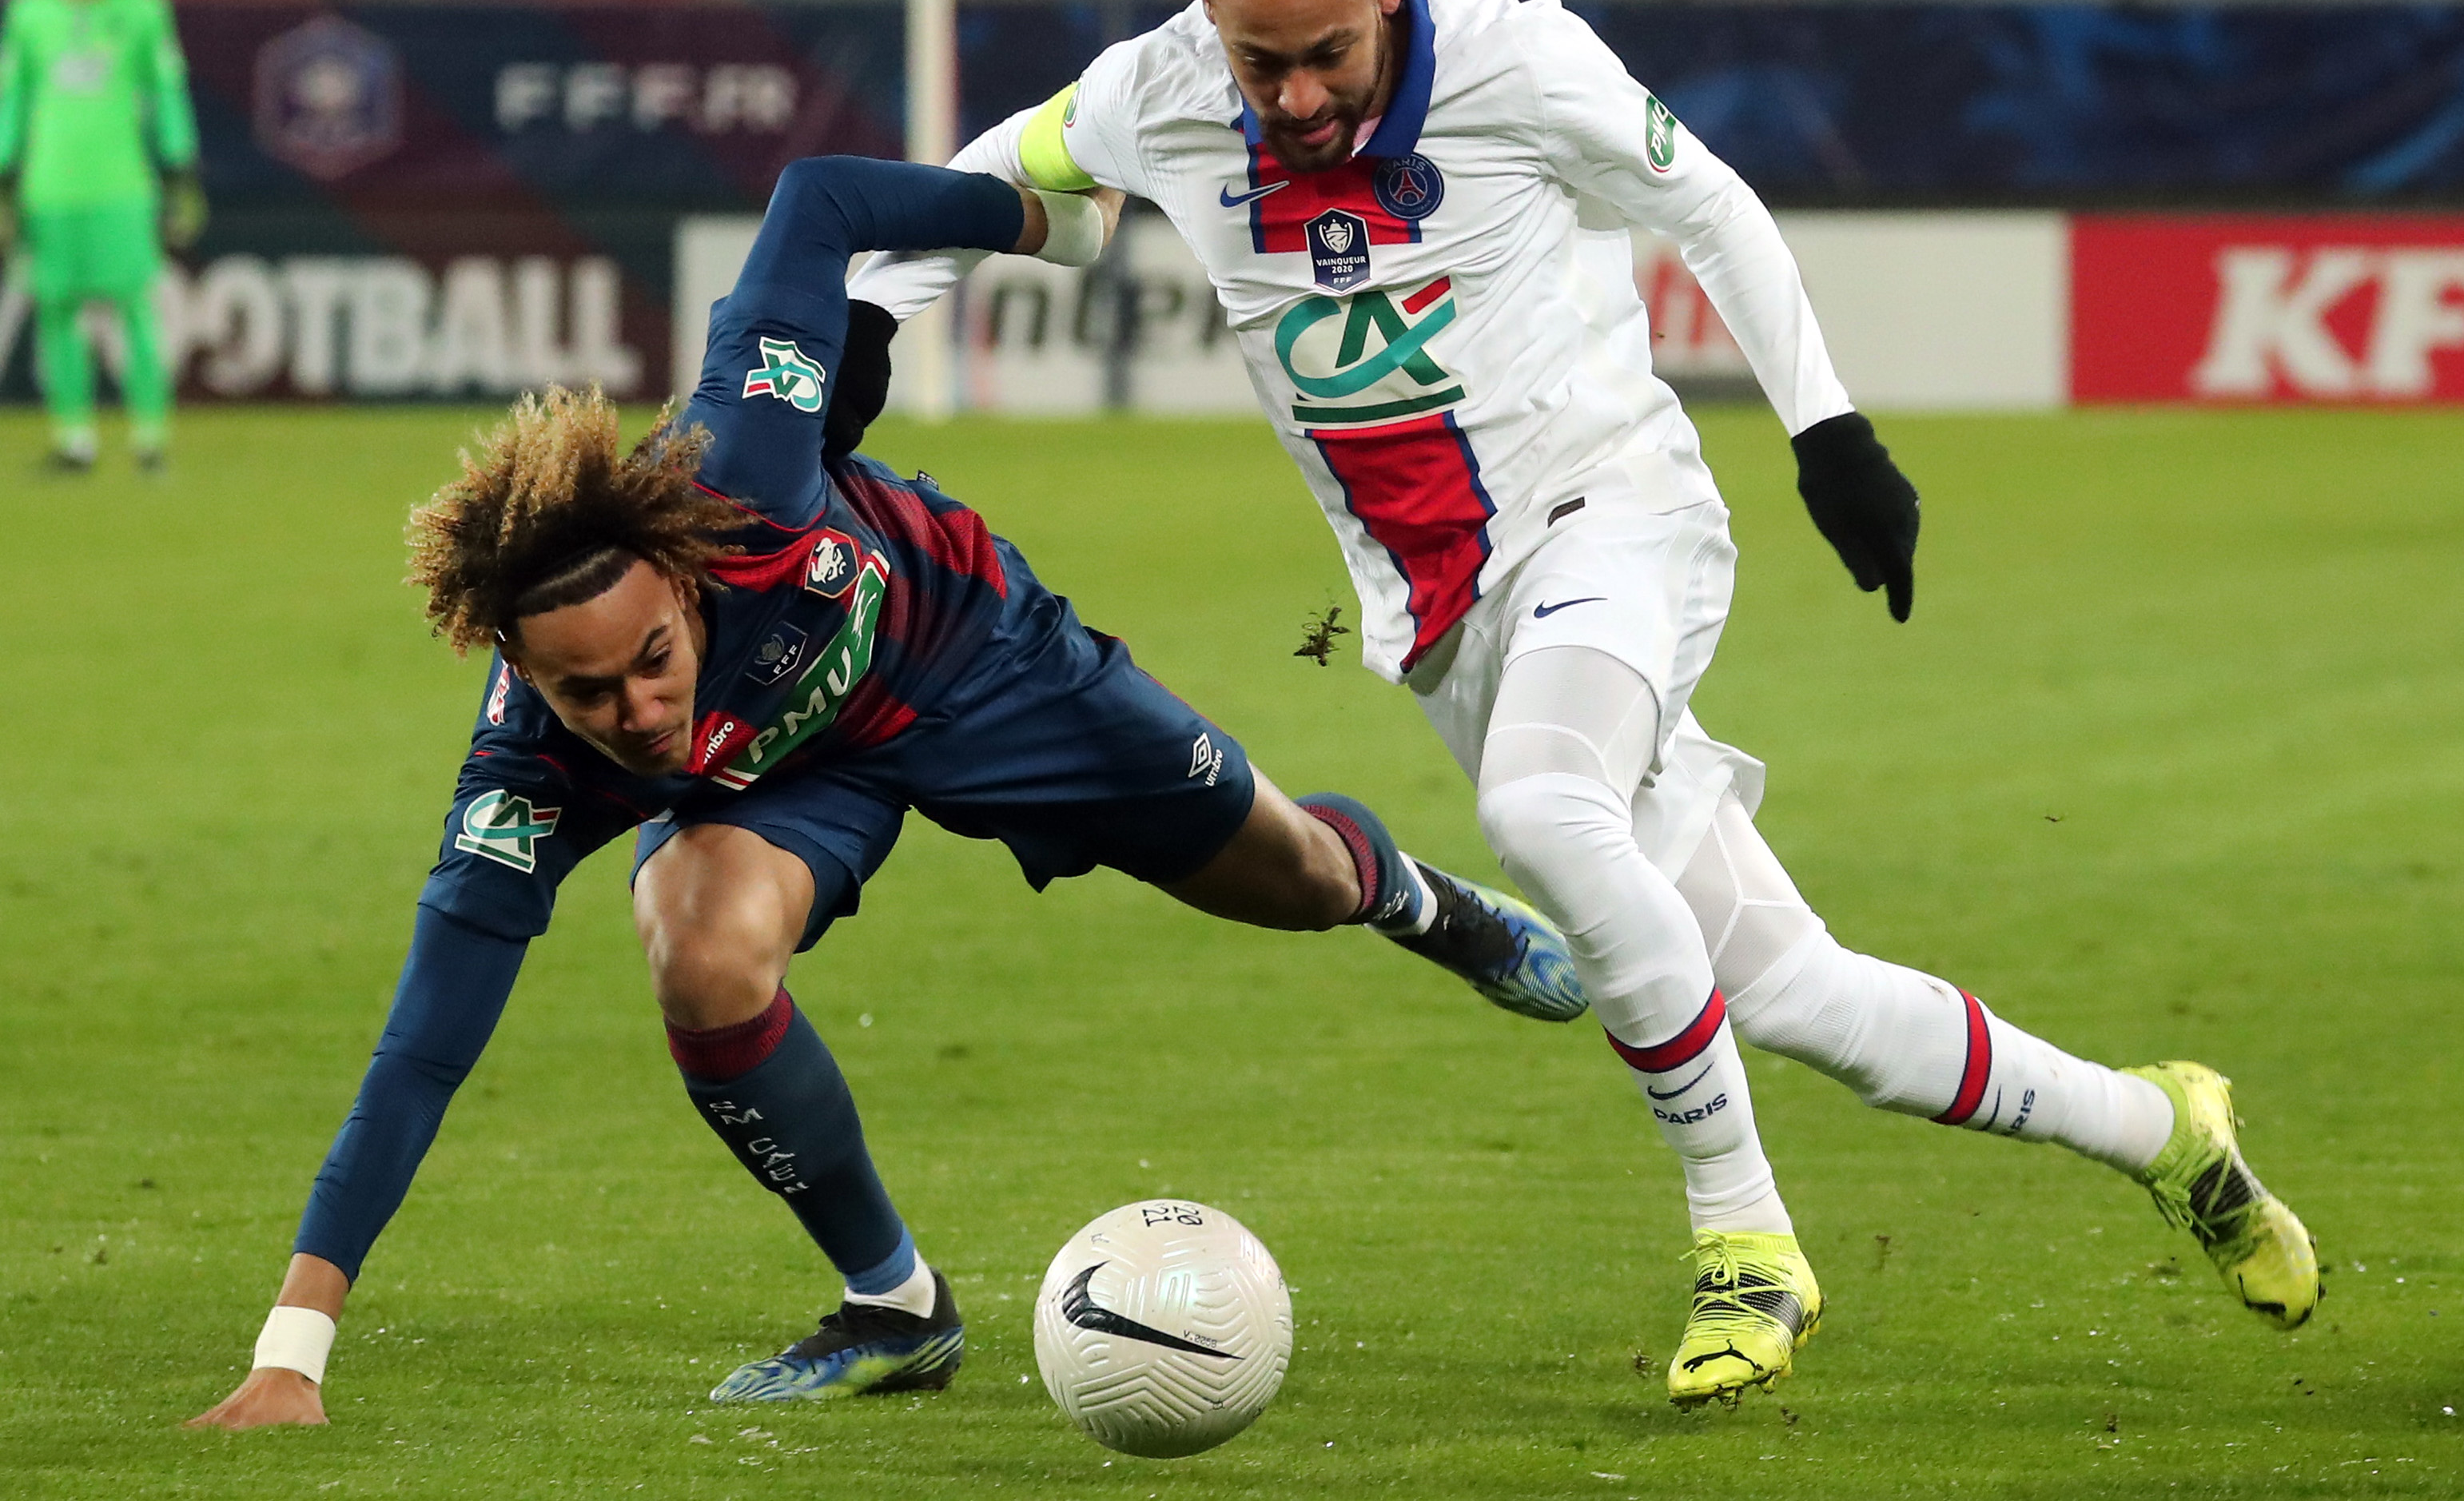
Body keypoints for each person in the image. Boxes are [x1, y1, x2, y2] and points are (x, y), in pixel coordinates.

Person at [847, 0, 2320, 1407]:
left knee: (1539, 807)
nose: (1285, 94)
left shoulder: (1517, 60)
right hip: (1445, 620)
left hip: (1613, 518)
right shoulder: (1156, 91)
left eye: (1324, 54)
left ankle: (1743, 1242)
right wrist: (866, 320)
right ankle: (2165, 1130)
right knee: (1800, 995)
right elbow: (994, 176)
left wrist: (1827, 432)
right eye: (1254, 59)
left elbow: (1716, 203)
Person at [185, 154, 1584, 1431]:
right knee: (695, 935)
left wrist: (1047, 224)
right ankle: (895, 1303)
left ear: (679, 581)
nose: (638, 711)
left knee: (1300, 884)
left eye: (652, 662)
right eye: (586, 696)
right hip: (801, 780)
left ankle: (1413, 896)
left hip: (979, 653)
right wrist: (291, 1347)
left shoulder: (741, 464)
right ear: (522, 675)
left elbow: (818, 205)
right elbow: (421, 1049)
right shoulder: (524, 778)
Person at [0, 0, 205, 474]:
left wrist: (179, 167)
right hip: (49, 189)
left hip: (122, 186)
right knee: (56, 311)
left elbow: (166, 92)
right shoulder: (30, 11)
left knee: (135, 310)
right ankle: (75, 440)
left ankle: (150, 440)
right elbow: (12, 99)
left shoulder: (143, 7)